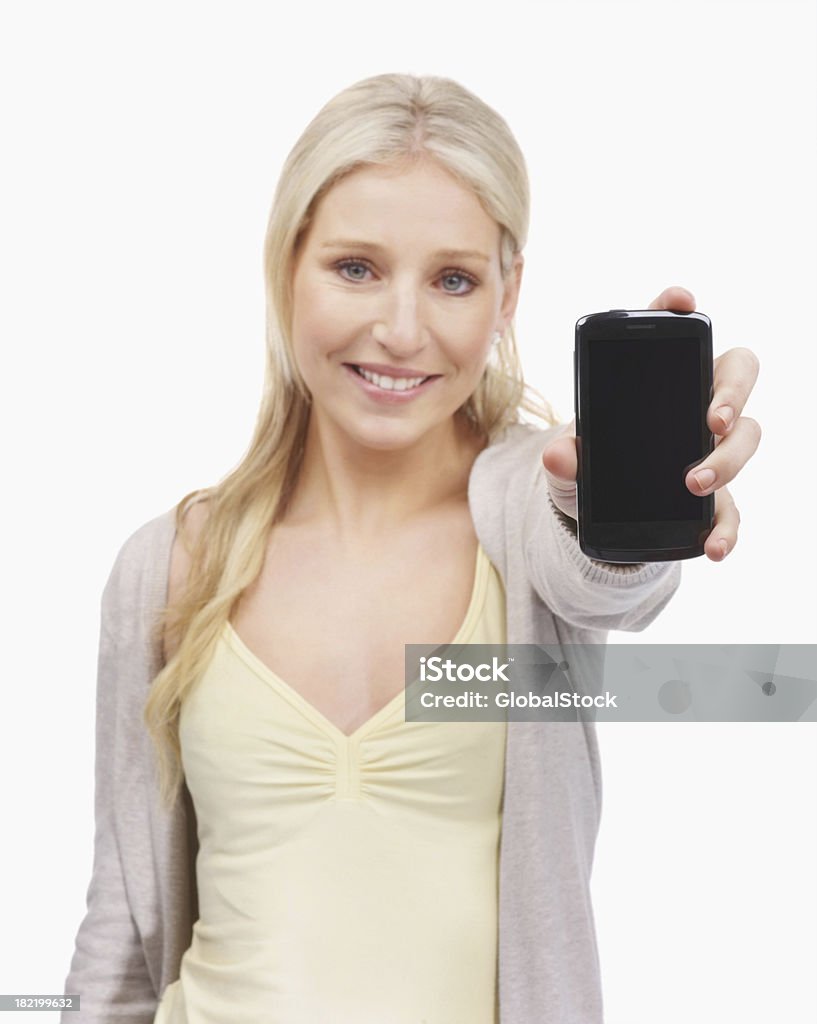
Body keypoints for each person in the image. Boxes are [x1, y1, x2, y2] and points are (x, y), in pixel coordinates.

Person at [61, 73, 761, 1024]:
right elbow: (121, 932)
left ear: (507, 293)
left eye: (453, 279)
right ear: (285, 266)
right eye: (354, 267)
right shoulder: (169, 564)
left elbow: (606, 586)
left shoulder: (527, 518)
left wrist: (629, 500)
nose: (399, 331)